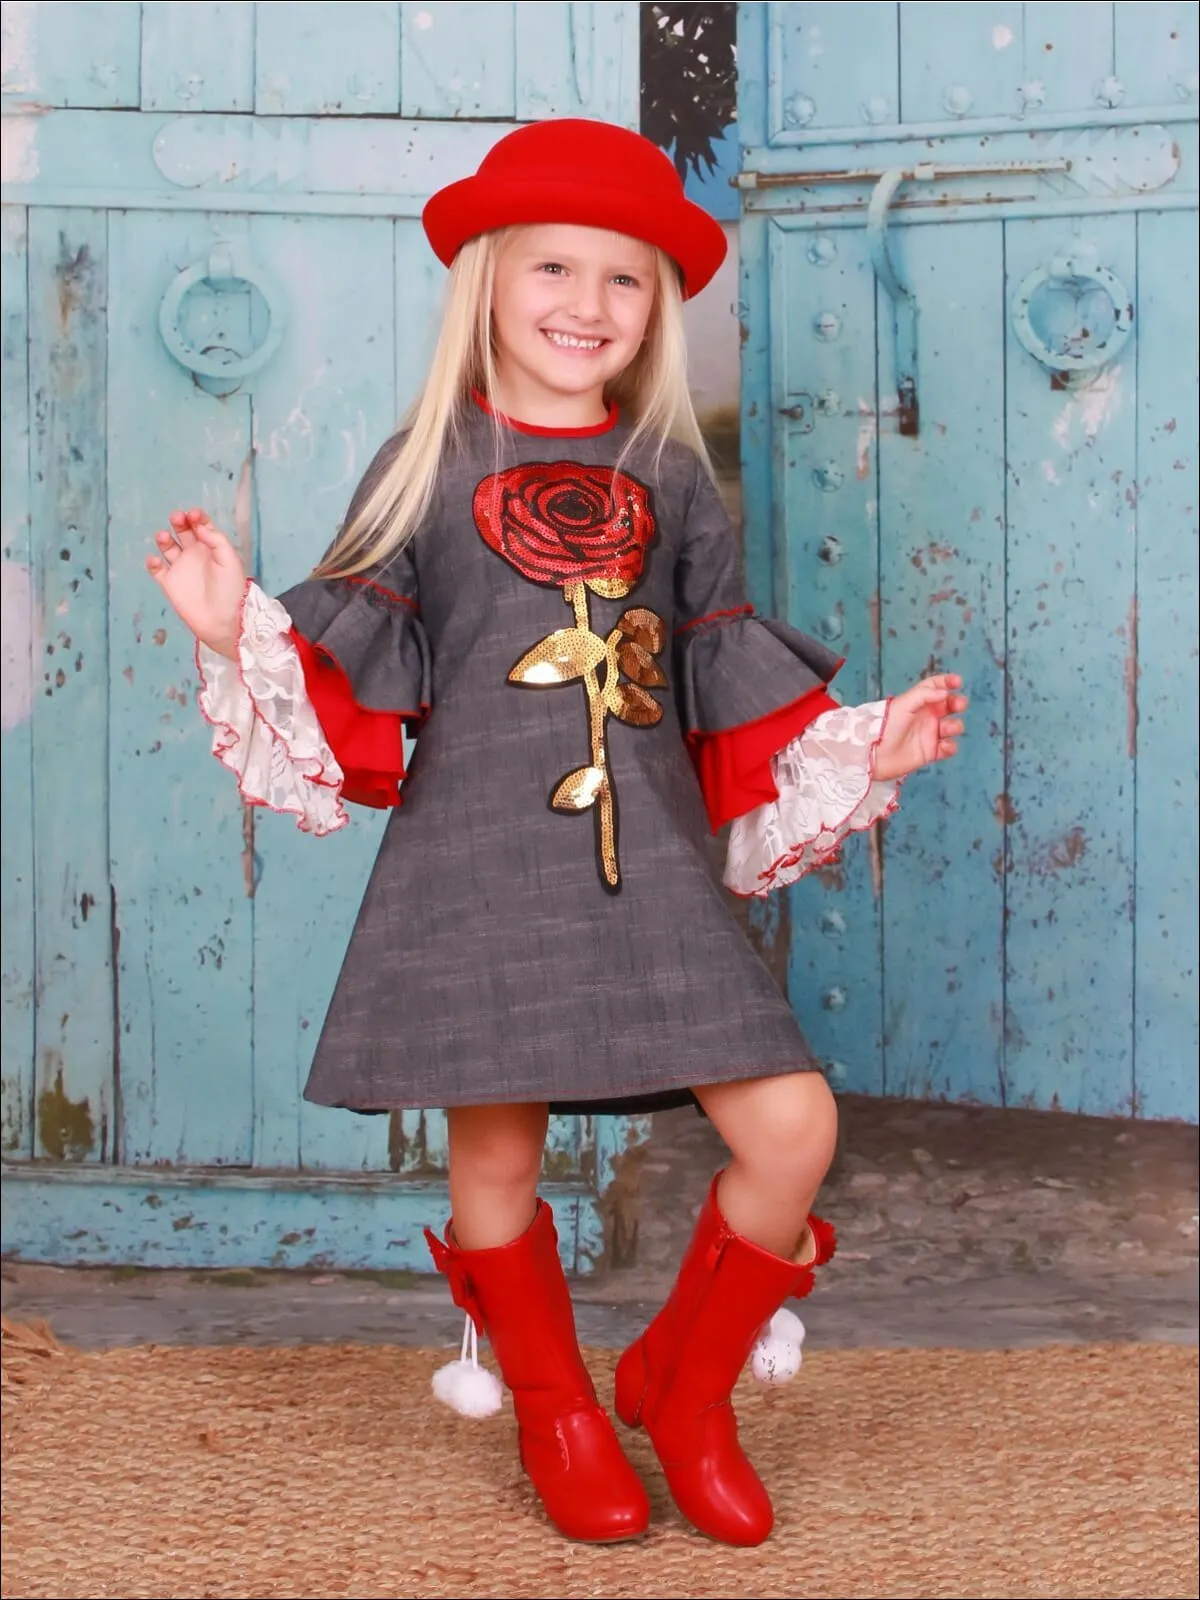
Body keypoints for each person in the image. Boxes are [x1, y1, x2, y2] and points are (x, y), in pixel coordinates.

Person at [146, 119, 968, 1548]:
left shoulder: (670, 472)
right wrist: (241, 634)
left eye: (626, 279)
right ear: (488, 282)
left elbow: (718, 667)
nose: (587, 305)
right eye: (553, 268)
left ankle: (682, 1387)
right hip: (480, 871)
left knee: (793, 1126)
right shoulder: (428, 458)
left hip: (645, 865)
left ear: (657, 306)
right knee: (497, 1163)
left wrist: (861, 745)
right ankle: (555, 1406)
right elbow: (355, 660)